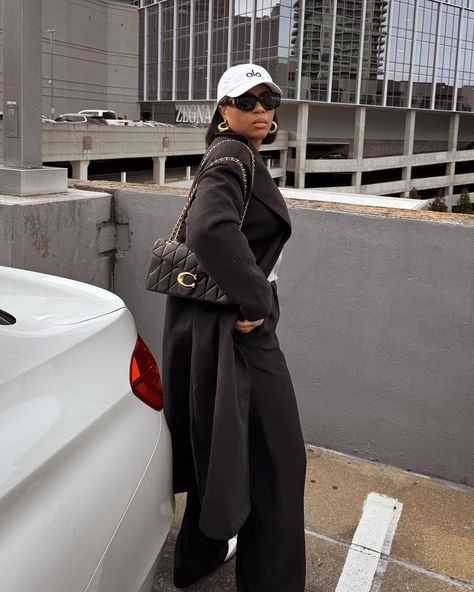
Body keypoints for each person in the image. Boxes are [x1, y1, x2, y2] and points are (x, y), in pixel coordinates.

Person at [162, 63, 306, 591]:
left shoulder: (235, 156)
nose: (262, 111)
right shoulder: (231, 155)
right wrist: (256, 304)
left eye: (270, 102)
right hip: (238, 331)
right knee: (278, 461)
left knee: (216, 443)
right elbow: (208, 228)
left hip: (208, 329)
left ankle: (196, 559)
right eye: (248, 102)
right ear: (223, 109)